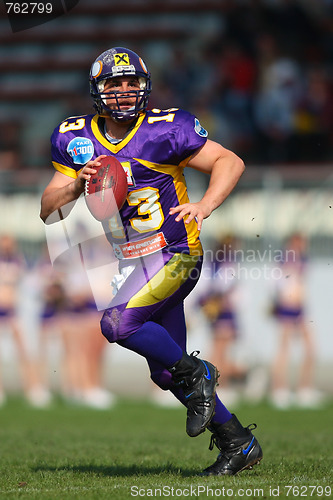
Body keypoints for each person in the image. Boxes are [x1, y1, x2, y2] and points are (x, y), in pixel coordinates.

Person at [40, 47, 262, 475]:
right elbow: (48, 208)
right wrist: (74, 187)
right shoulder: (75, 137)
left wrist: (206, 204)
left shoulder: (166, 128)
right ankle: (239, 441)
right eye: (113, 83)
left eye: (131, 82)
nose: (123, 91)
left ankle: (200, 371)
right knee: (165, 373)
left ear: (144, 87)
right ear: (96, 90)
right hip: (135, 263)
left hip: (177, 253)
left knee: (117, 323)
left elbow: (229, 161)